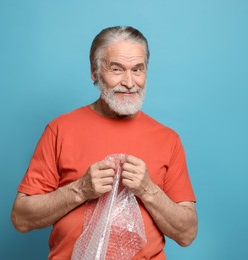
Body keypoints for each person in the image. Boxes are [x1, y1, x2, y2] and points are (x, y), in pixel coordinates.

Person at [11, 26, 197, 259]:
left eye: (137, 69)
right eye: (117, 69)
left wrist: (147, 190)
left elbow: (187, 233)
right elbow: (21, 218)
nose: (129, 82)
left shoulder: (168, 139)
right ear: (94, 71)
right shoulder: (60, 129)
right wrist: (81, 189)